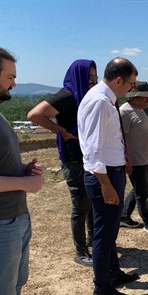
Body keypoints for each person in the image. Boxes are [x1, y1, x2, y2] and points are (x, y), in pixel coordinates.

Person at [0, 46, 54, 295]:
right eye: (10, 77)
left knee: (14, 285)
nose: (14, 84)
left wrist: (21, 170)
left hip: (14, 216)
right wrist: (22, 184)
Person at [78, 57, 140, 295]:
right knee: (103, 235)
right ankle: (102, 290)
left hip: (110, 172)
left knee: (110, 230)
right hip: (103, 175)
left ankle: (113, 274)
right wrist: (105, 184)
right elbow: (92, 150)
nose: (130, 89)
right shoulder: (100, 102)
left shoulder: (105, 100)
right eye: (130, 84)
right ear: (118, 80)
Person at [27, 59, 97, 266]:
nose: (92, 81)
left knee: (92, 199)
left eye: (94, 77)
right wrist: (62, 131)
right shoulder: (67, 95)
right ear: (79, 76)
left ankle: (94, 240)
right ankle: (80, 250)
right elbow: (34, 115)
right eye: (89, 77)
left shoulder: (85, 95)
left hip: (87, 156)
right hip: (73, 158)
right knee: (81, 203)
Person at [119, 81, 148, 236]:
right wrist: (126, 161)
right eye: (146, 97)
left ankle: (123, 216)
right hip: (135, 161)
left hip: (145, 159)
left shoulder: (139, 109)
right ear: (136, 96)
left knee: (139, 189)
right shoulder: (124, 112)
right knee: (142, 193)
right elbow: (120, 138)